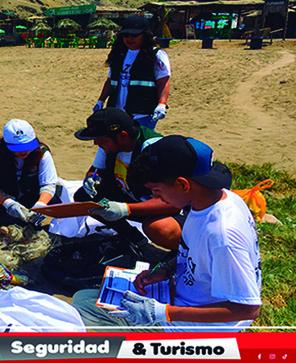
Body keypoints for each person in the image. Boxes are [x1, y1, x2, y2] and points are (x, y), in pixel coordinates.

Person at [72, 135, 261, 332]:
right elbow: (195, 254)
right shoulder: (214, 200)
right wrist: (166, 269)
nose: (155, 197)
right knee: (83, 299)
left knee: (85, 309)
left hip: (199, 327)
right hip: (181, 297)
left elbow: (247, 309)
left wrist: (165, 313)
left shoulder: (222, 234)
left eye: (155, 189)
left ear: (183, 184)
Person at [74, 108, 185, 251]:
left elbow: (174, 203)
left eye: (101, 139)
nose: (96, 143)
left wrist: (125, 209)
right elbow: (96, 170)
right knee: (84, 197)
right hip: (135, 198)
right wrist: (91, 178)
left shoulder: (153, 150)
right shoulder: (109, 146)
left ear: (123, 136)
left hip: (170, 207)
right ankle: (132, 236)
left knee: (158, 228)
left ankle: (182, 255)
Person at [92, 15, 171, 130]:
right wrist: (100, 101)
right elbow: (110, 81)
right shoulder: (118, 55)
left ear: (145, 35)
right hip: (117, 113)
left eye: (134, 35)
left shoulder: (156, 55)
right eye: (125, 35)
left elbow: (163, 82)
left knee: (139, 145)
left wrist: (162, 104)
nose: (129, 39)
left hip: (142, 113)